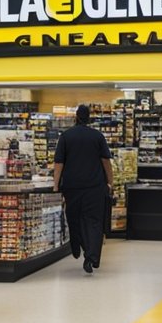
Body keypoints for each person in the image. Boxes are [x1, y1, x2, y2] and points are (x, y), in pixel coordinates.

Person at [53, 104, 113, 274]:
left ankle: (77, 245)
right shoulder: (97, 136)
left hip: (72, 187)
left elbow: (59, 163)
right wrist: (110, 182)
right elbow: (106, 162)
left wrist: (56, 184)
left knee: (74, 218)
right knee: (94, 222)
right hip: (95, 187)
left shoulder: (66, 136)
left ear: (76, 117)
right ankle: (92, 257)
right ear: (89, 118)